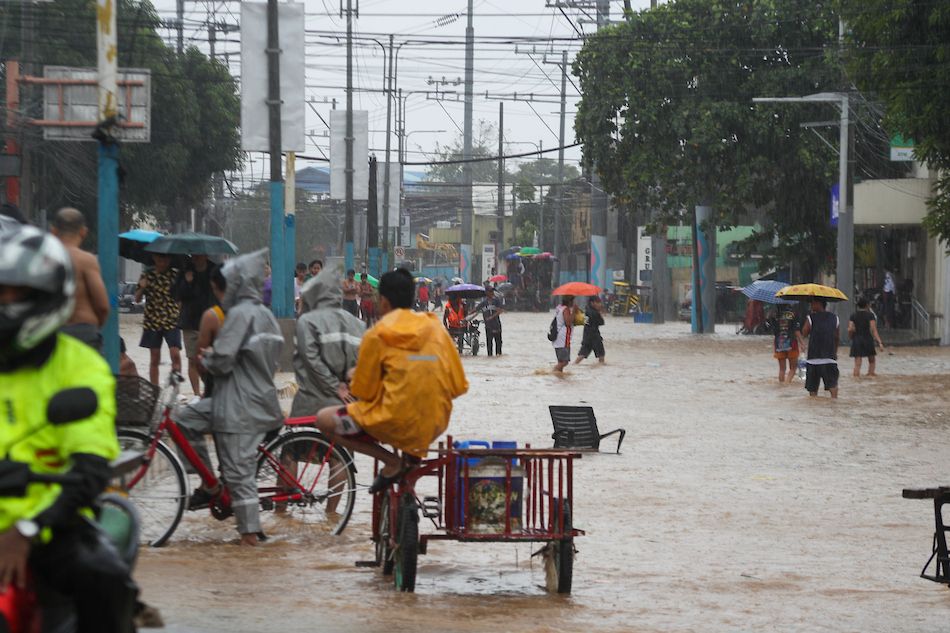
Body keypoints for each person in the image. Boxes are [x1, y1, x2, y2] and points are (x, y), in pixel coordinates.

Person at [0, 225, 137, 632]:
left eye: (17, 293)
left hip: (48, 526)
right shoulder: (90, 262)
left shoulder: (80, 368)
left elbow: (91, 467)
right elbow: (104, 309)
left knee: (105, 577)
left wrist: (26, 529)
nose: (5, 303)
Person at [312, 269, 468, 492]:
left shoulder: (377, 334)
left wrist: (353, 375)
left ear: (383, 301)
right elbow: (458, 386)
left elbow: (363, 392)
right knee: (411, 426)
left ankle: (391, 461)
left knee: (323, 420)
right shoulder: (436, 330)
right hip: (433, 424)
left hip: (390, 422)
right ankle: (409, 462)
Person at [171, 249, 283, 545]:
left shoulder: (238, 315)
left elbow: (220, 361)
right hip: (252, 397)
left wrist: (207, 358)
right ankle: (210, 484)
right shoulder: (266, 315)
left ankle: (249, 538)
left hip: (242, 404)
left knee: (238, 471)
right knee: (185, 419)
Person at [290, 269, 365, 514]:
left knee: (289, 453)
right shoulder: (359, 324)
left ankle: (281, 513)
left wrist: (335, 386)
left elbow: (310, 360)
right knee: (340, 457)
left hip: (310, 401)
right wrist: (347, 388)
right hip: (347, 403)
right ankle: (332, 515)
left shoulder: (307, 322)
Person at [49, 207, 110, 352]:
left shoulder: (42, 259)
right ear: (83, 231)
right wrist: (93, 327)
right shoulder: (86, 260)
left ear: (53, 231)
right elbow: (103, 306)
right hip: (84, 332)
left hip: (52, 334)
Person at [135, 253, 182, 385]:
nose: (163, 262)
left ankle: (175, 386)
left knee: (175, 354)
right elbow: (137, 299)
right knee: (154, 357)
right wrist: (142, 287)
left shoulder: (175, 274)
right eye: (160, 258)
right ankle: (155, 389)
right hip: (152, 320)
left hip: (171, 319)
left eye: (166, 258)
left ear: (170, 259)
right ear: (154, 258)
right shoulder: (147, 274)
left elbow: (181, 297)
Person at [174, 254, 217, 396]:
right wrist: (187, 282)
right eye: (193, 255)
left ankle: (210, 391)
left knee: (210, 359)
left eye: (198, 254)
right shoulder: (185, 271)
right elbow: (176, 295)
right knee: (192, 359)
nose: (195, 257)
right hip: (190, 322)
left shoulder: (214, 271)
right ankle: (197, 394)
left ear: (205, 254)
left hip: (211, 322)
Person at [801, 297, 840, 398]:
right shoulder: (835, 318)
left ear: (819, 304)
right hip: (829, 358)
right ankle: (834, 403)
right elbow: (836, 337)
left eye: (813, 303)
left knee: (812, 389)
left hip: (813, 358)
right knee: (833, 385)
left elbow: (804, 333)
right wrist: (835, 352)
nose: (811, 305)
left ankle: (814, 409)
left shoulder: (810, 318)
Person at [849, 297, 885, 377]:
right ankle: (870, 375)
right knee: (872, 360)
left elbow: (850, 329)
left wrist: (851, 338)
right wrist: (880, 342)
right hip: (867, 339)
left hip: (856, 339)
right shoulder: (870, 315)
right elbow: (874, 330)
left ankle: (856, 378)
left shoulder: (853, 315)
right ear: (867, 305)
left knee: (857, 363)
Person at [769, 305, 805, 383]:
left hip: (779, 343)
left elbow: (773, 331)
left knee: (782, 369)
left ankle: (781, 385)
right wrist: (802, 343)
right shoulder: (793, 314)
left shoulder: (773, 315)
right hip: (792, 343)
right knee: (793, 368)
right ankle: (787, 384)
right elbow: (796, 330)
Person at [472, 285, 504, 356]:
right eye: (490, 291)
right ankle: (490, 357)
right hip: (488, 326)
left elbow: (500, 310)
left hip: (496, 325)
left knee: (498, 343)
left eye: (492, 291)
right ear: (486, 292)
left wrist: (491, 317)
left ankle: (498, 356)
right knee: (489, 344)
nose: (492, 292)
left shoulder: (496, 301)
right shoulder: (484, 303)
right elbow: (476, 309)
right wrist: (468, 314)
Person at [575, 295, 606, 364]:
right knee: (601, 355)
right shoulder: (594, 312)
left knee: (582, 354)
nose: (600, 304)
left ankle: (573, 366)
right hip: (595, 336)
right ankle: (601, 368)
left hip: (587, 336)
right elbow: (601, 322)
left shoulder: (587, 310)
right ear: (592, 303)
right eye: (598, 302)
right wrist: (600, 313)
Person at [552, 295, 577, 373]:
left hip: (557, 338)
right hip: (563, 339)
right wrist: (574, 312)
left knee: (561, 361)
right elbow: (568, 322)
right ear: (569, 301)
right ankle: (552, 372)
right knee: (564, 362)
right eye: (573, 301)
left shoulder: (559, 307)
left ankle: (559, 377)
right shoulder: (566, 309)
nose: (574, 302)